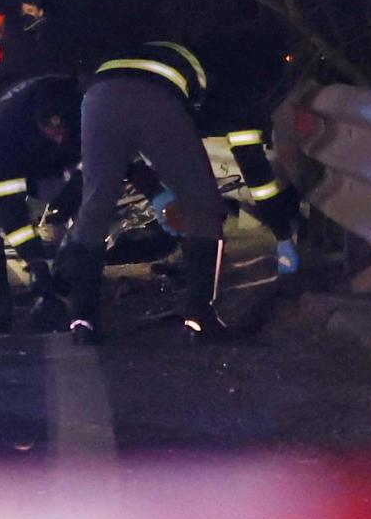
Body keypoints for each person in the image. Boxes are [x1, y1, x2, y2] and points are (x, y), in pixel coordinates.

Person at [54, 38, 240, 345]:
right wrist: (171, 190)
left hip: (97, 99)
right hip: (156, 100)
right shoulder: (201, 68)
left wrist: (155, 193)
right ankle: (200, 317)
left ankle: (82, 320)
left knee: (95, 205)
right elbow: (185, 129)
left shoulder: (128, 55)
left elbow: (127, 155)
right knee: (203, 205)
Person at [0, 67, 83, 333]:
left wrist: (65, 207)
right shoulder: (8, 128)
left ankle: (64, 287)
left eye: (63, 131)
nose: (58, 136)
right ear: (37, 123)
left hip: (46, 161)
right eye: (50, 130)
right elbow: (9, 207)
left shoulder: (86, 114)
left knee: (75, 202)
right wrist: (35, 263)